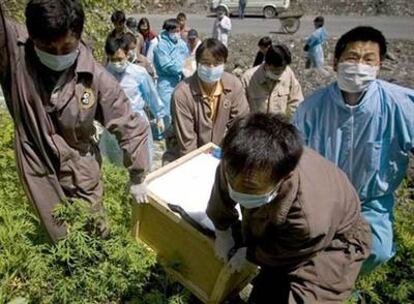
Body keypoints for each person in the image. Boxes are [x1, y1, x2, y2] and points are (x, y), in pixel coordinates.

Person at [0, 0, 150, 242]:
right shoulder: (16, 55)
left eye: (67, 47)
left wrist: (138, 175)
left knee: (94, 234)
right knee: (58, 236)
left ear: (78, 36)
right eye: (48, 47)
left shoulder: (96, 79)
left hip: (80, 172)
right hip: (37, 168)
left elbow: (129, 125)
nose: (58, 55)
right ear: (32, 39)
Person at [206, 113, 371, 303]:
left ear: (284, 178)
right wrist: (221, 229)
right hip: (288, 223)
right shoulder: (239, 158)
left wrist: (251, 255)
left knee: (300, 296)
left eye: (251, 189)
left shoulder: (307, 217)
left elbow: (284, 251)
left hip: (335, 240)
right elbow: (224, 187)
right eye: (232, 179)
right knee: (265, 289)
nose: (238, 190)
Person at [293, 26, 414, 273]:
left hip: (371, 202)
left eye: (368, 59)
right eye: (352, 57)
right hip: (323, 199)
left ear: (379, 65)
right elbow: (294, 159)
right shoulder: (312, 109)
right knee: (307, 250)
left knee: (376, 250)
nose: (360, 65)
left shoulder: (400, 105)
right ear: (336, 62)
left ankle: (348, 283)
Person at [169, 38, 249, 159]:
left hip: (223, 154)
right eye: (206, 63)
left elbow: (240, 124)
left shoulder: (233, 85)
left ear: (224, 63)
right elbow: (187, 142)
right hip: (188, 156)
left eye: (217, 63)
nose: (211, 67)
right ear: (197, 63)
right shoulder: (182, 94)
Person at [103, 36, 164, 167]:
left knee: (140, 160)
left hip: (136, 121)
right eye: (113, 60)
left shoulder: (138, 73)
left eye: (120, 59)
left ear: (126, 54)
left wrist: (159, 116)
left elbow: (151, 95)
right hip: (114, 123)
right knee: (115, 161)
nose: (116, 63)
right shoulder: (104, 75)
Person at [242, 44, 303, 117]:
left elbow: (296, 102)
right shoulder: (248, 79)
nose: (279, 73)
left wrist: (289, 121)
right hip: (256, 126)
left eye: (282, 69)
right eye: (276, 70)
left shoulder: (288, 74)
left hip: (280, 126)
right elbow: (242, 110)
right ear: (267, 65)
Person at [153, 18, 189, 129]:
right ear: (168, 31)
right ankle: (163, 135)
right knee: (165, 111)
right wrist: (181, 69)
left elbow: (187, 59)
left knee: (180, 109)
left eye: (178, 31)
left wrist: (188, 69)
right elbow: (165, 65)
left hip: (180, 81)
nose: (177, 34)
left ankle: (176, 133)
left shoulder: (182, 44)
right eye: (174, 31)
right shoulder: (161, 46)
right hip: (166, 83)